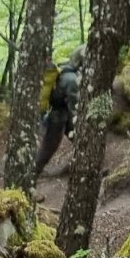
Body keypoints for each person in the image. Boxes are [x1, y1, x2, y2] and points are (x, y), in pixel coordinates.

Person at [34, 47, 84, 177]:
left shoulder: (63, 68)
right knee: (49, 146)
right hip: (57, 116)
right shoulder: (72, 79)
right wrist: (80, 119)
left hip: (62, 113)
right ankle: (32, 174)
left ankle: (86, 167)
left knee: (79, 138)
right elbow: (74, 104)